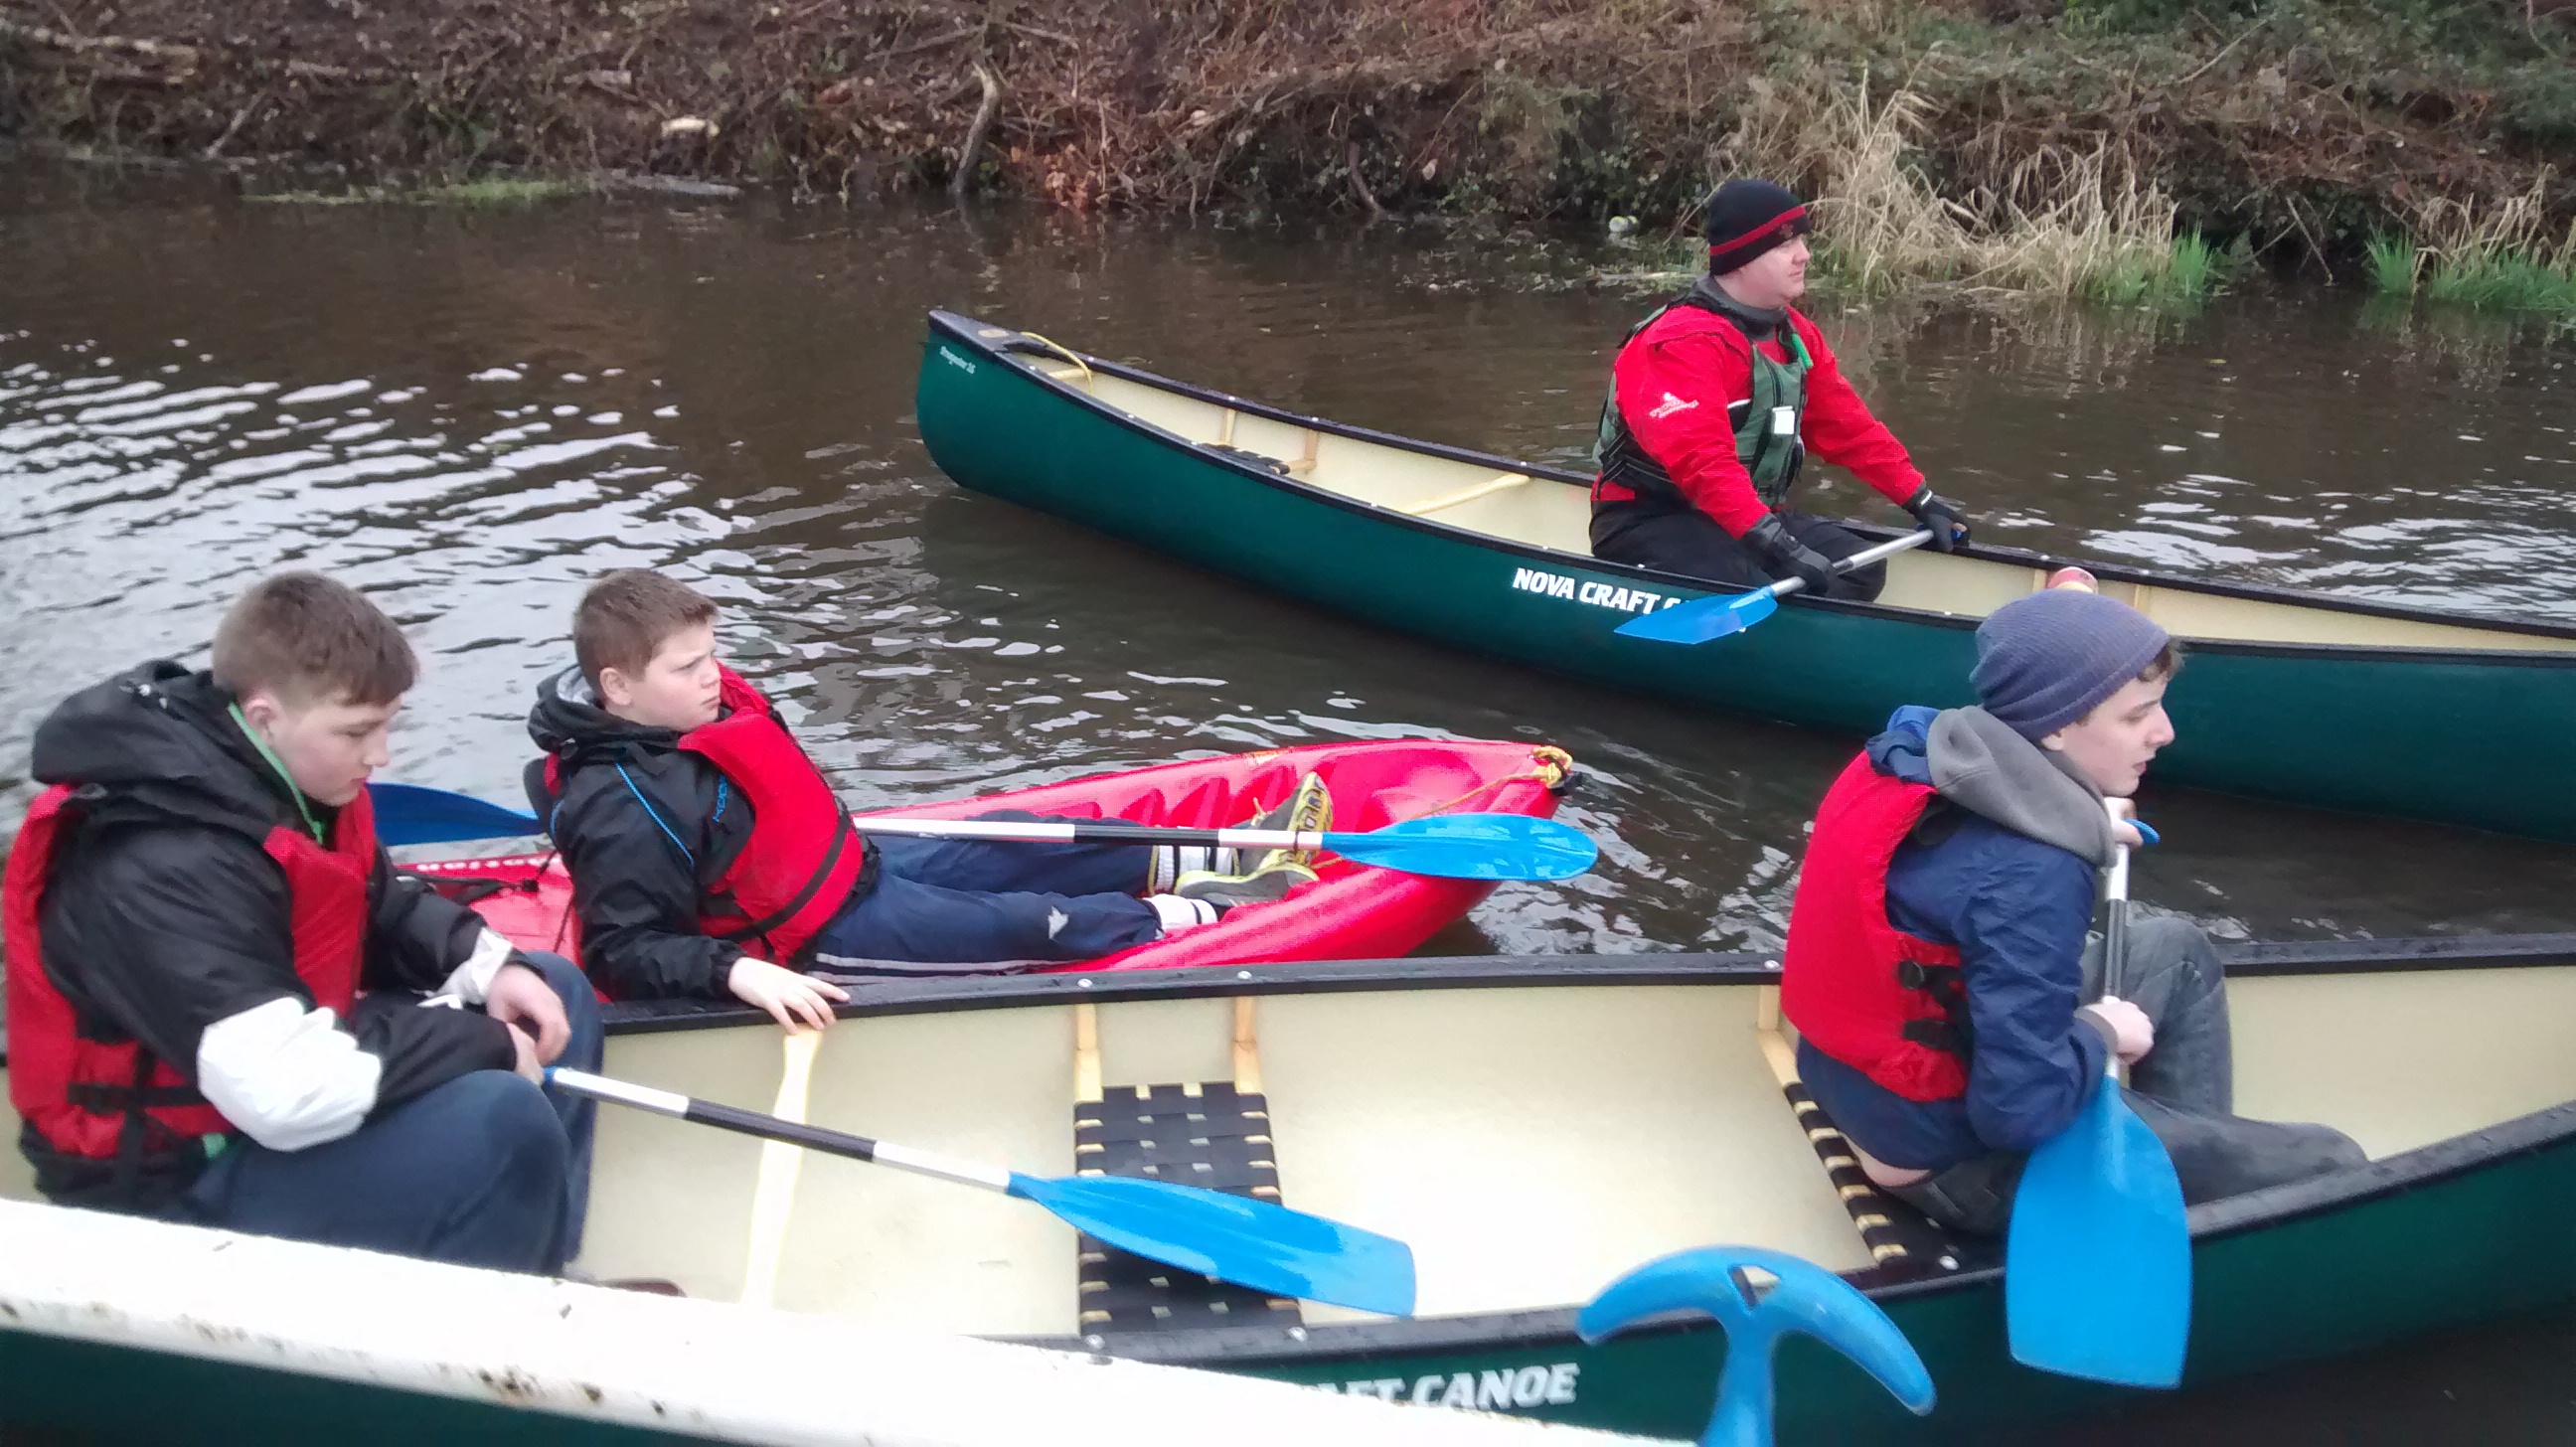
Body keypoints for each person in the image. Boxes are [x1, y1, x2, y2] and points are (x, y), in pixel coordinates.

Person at [5, 571, 599, 1274]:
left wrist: (489, 965)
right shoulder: (157, 860)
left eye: (388, 724)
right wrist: (481, 1043)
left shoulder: (292, 783)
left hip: (252, 1115)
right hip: (169, 1188)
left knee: (551, 988)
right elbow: (281, 1094)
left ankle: (544, 1274)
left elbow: (378, 909)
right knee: (503, 1116)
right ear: (264, 718)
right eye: (358, 732)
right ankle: (493, 1323)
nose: (381, 755)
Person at [1778, 587, 2364, 1234]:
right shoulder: (2033, 871)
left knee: (2175, 949)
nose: (2164, 732)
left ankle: (2174, 1177)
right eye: (2136, 716)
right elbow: (2018, 1113)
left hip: (1857, 1085)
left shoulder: (1914, 750)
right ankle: (2174, 1207)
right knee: (2331, 1160)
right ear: (2056, 728)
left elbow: (1965, 863)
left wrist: (2084, 812)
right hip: (1950, 1159)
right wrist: (2100, 1033)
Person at [525, 569, 1326, 1029]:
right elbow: (621, 951)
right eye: (687, 667)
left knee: (1014, 837)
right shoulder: (618, 807)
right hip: (816, 939)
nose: (713, 677)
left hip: (853, 864)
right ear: (617, 687)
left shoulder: (686, 711)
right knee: (1027, 923)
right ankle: (1221, 911)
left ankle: (1227, 847)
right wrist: (736, 973)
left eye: (711, 655)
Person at [1590, 178, 1974, 600]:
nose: (1804, 255)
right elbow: (1702, 462)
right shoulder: (1682, 342)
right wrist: (1774, 543)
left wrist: (1920, 499)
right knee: (1755, 587)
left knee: (1863, 569)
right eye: (1785, 245)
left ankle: (1804, 624)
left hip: (1745, 517)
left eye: (1803, 241)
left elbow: (1848, 428)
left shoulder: (1796, 336)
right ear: (1741, 259)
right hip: (1651, 519)